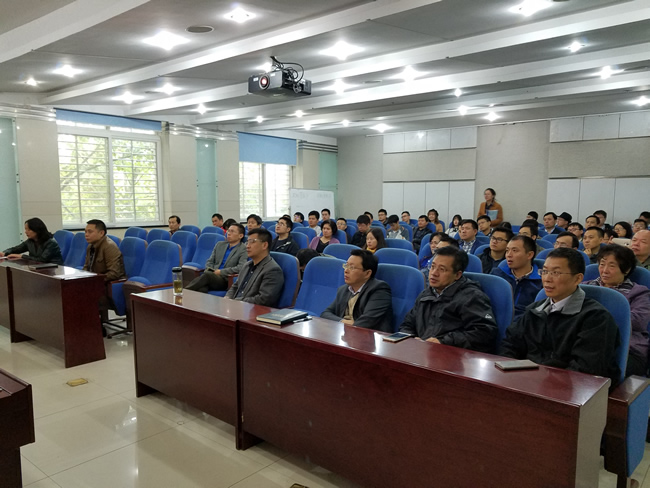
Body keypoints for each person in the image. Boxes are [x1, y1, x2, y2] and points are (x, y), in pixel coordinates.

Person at [500, 248, 620, 383]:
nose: (547, 279)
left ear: (577, 278)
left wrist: (540, 382)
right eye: (545, 271)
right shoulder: (535, 310)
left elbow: (585, 371)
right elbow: (510, 345)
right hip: (528, 382)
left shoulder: (596, 318)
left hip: (570, 388)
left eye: (556, 273)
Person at [399, 246, 497, 353]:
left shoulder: (471, 297)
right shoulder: (426, 294)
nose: (434, 273)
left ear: (457, 275)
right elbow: (407, 324)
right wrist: (411, 339)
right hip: (423, 352)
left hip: (454, 355)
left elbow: (484, 332)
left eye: (442, 269)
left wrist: (443, 342)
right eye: (432, 267)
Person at [584, 244, 650, 377]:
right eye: (602, 264)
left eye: (612, 266)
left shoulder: (639, 292)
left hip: (626, 349)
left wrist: (596, 319)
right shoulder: (585, 287)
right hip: (585, 344)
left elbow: (638, 321)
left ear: (626, 269)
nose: (605, 270)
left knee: (595, 369)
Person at [321, 249, 393, 332]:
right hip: (345, 333)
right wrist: (343, 322)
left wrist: (348, 325)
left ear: (367, 273)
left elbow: (367, 322)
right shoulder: (343, 290)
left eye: (352, 267)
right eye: (346, 266)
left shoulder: (379, 290)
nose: (346, 270)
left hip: (368, 336)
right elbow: (325, 314)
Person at [225, 228, 284, 306]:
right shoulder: (247, 265)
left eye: (252, 242)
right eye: (247, 242)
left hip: (252, 310)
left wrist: (236, 302)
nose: (247, 246)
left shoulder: (272, 270)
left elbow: (264, 299)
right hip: (237, 306)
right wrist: (227, 298)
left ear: (264, 245)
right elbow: (235, 286)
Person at [490, 236, 542, 319]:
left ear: (529, 255)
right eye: (507, 250)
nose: (509, 255)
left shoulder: (540, 282)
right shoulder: (496, 275)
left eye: (514, 250)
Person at [186, 223, 247, 293]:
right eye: (228, 231)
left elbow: (241, 267)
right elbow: (210, 261)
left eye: (232, 231)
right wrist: (211, 270)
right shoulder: (220, 245)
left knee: (206, 276)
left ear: (240, 235)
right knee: (202, 288)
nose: (229, 233)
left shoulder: (243, 249)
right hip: (212, 275)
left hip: (226, 279)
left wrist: (221, 272)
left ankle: (185, 292)